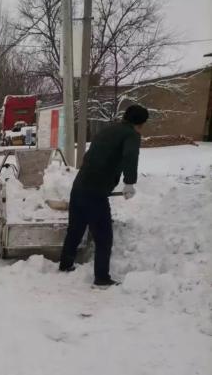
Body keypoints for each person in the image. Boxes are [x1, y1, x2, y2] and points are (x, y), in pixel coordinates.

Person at [59, 104, 149, 288]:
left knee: (75, 229)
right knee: (104, 237)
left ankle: (65, 264)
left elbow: (91, 156)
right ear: (140, 123)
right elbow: (130, 155)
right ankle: (101, 278)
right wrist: (129, 182)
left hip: (80, 185)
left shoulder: (109, 130)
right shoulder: (131, 135)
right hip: (96, 191)